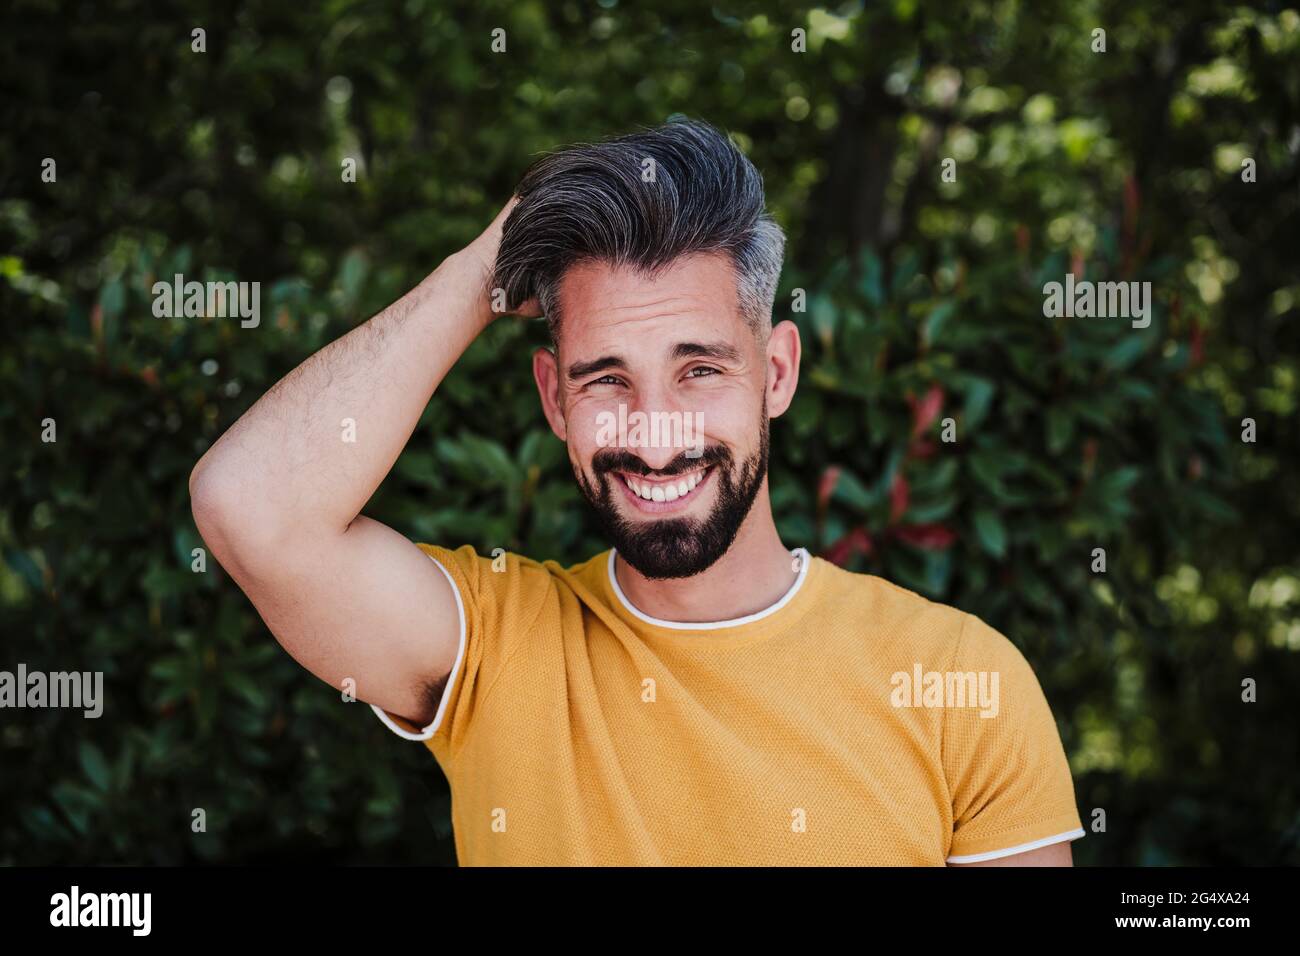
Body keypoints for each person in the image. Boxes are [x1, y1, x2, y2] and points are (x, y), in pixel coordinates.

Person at [189, 119, 1084, 866]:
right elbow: (249, 507)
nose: (655, 430)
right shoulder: (496, 648)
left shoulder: (965, 680)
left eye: (698, 369)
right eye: (605, 380)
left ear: (775, 373)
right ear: (553, 400)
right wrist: (485, 267)